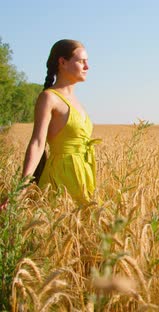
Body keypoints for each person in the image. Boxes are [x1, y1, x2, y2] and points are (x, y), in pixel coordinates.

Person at [0, 39, 99, 210]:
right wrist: (20, 189)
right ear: (62, 62)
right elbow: (38, 143)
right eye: (82, 61)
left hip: (84, 174)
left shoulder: (77, 102)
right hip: (61, 178)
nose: (87, 67)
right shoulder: (49, 98)